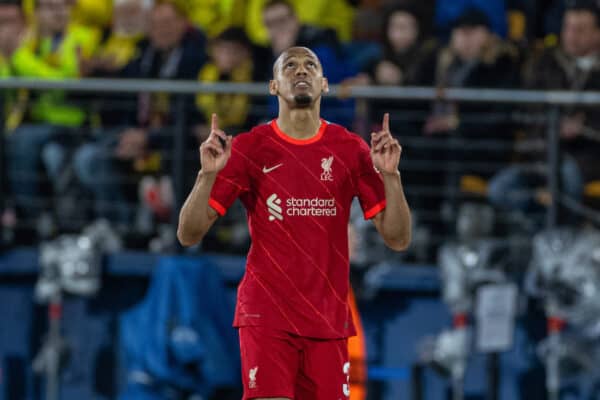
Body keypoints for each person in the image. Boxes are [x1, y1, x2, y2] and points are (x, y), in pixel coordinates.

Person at [177, 46, 411, 400]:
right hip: (266, 314)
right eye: (290, 66)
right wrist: (205, 175)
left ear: (325, 84)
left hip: (327, 319)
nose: (301, 71)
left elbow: (397, 238)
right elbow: (188, 234)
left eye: (310, 66)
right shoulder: (248, 148)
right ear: (274, 86)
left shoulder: (350, 149)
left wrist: (391, 177)